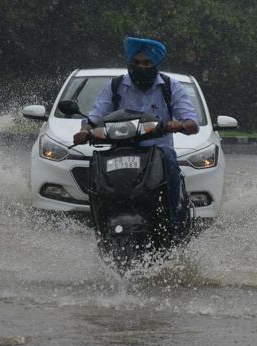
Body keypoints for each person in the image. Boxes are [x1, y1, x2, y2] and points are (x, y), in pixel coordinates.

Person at [73, 36, 198, 235]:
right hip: (120, 150)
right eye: (137, 63)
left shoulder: (170, 87)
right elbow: (95, 115)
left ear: (155, 65)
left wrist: (180, 124)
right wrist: (84, 130)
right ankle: (99, 221)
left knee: (170, 161)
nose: (141, 67)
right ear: (130, 63)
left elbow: (191, 121)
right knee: (96, 164)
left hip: (157, 151)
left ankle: (174, 221)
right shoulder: (115, 86)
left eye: (147, 63)